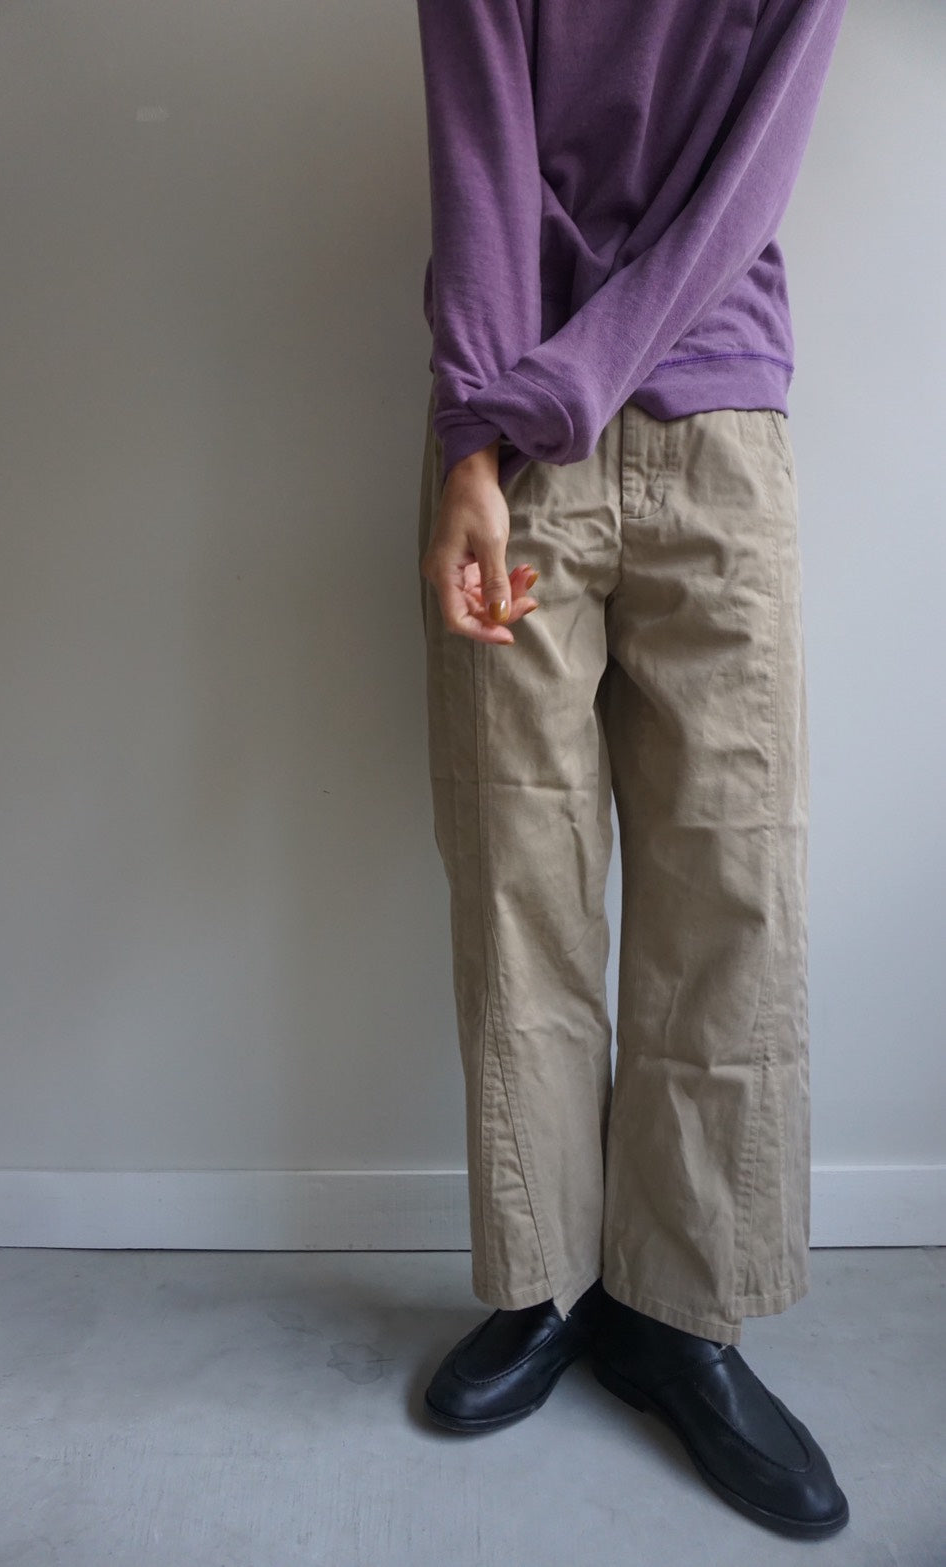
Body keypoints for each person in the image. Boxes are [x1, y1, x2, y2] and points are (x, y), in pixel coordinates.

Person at [413, 0, 851, 1541]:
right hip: (510, 450)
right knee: (517, 877)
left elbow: (744, 183)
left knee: (731, 884)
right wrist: (477, 438)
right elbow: (479, 165)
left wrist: (545, 388)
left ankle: (679, 1314)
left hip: (712, 430)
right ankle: (544, 1285)